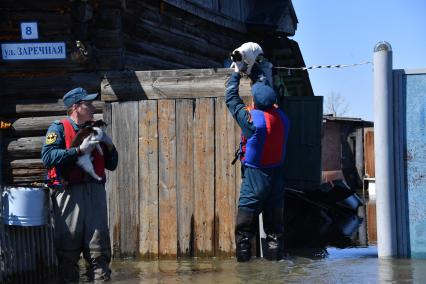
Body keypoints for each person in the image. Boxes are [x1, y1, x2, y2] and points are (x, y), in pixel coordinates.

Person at [41, 87, 118, 282]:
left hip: (95, 195)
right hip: (69, 195)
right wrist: (77, 151)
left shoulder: (95, 129)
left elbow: (112, 164)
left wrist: (109, 144)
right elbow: (48, 157)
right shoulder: (58, 128)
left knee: (99, 252)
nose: (93, 107)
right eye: (88, 103)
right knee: (68, 254)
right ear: (75, 107)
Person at [225, 61, 290, 262]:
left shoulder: (252, 121)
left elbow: (231, 99)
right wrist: (259, 71)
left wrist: (236, 73)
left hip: (254, 179)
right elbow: (268, 97)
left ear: (255, 102)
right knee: (274, 233)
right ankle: (275, 268)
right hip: (276, 180)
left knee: (244, 233)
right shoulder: (283, 118)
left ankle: (245, 273)